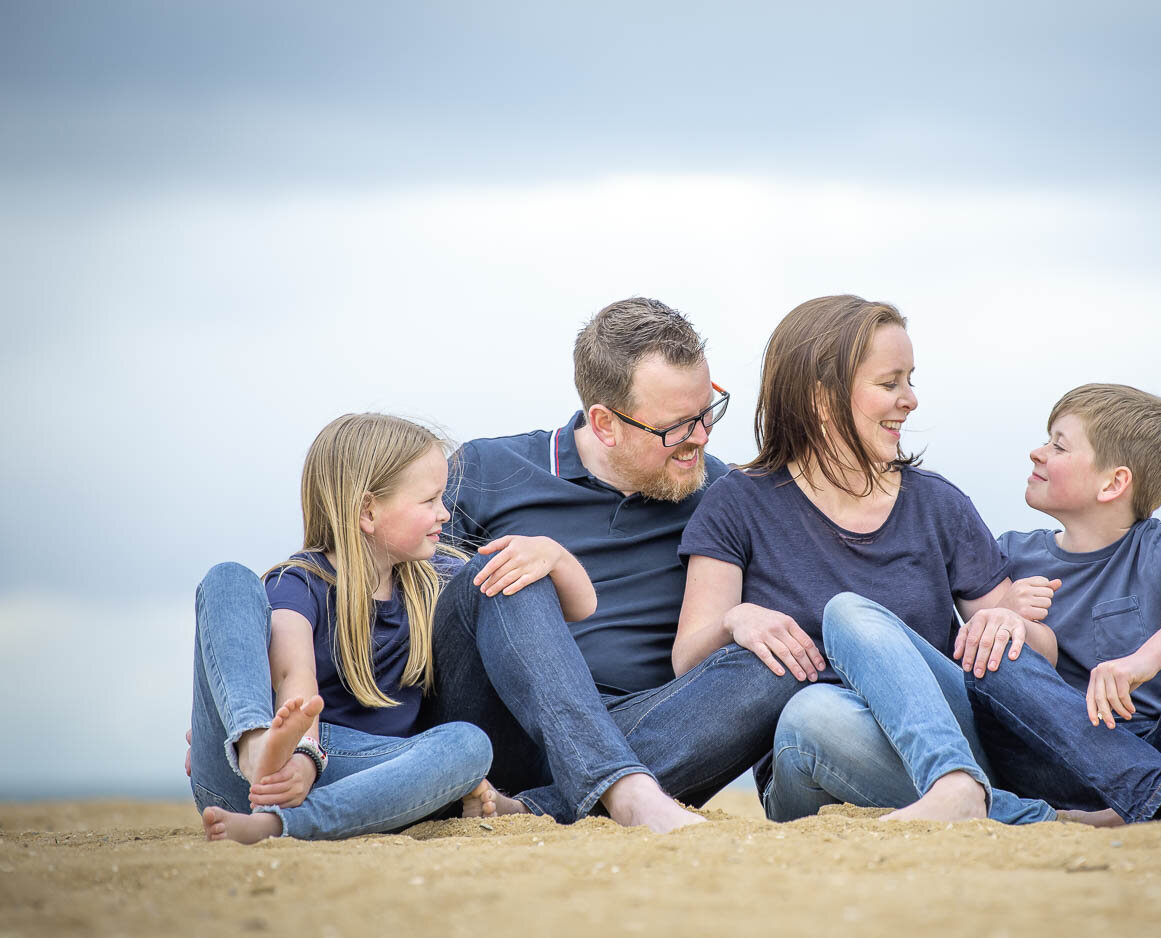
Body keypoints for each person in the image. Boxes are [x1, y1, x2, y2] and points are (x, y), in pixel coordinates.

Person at [419, 297, 804, 834]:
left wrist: (739, 619)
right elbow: (417, 606)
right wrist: (548, 562)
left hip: (646, 733)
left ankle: (545, 807)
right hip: (497, 729)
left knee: (781, 658)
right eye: (676, 426)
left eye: (706, 412)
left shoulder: (723, 493)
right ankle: (620, 791)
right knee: (514, 568)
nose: (700, 438)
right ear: (604, 423)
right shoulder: (487, 469)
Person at [673, 294, 1060, 825]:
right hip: (812, 753)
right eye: (889, 383)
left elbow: (1042, 658)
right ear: (820, 398)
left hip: (953, 740)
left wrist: (1008, 620)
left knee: (848, 614)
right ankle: (999, 808)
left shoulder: (938, 505)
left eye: (911, 380)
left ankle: (957, 787)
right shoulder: (738, 502)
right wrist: (734, 620)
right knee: (811, 714)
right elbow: (688, 662)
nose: (910, 400)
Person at [187, 413, 588, 843]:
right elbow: (292, 676)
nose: (445, 513)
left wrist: (555, 555)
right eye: (429, 501)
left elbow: (577, 608)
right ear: (368, 510)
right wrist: (296, 752)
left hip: (364, 777)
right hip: (251, 777)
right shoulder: (299, 584)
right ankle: (253, 743)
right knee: (227, 578)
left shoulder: (434, 579)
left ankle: (283, 826)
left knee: (468, 746)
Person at [974, 384, 1161, 826]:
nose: (1036, 453)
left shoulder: (1157, 549)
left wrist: (1140, 663)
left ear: (1114, 483)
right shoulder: (1011, 556)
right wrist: (1003, 608)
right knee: (994, 649)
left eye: (1058, 445)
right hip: (1057, 760)